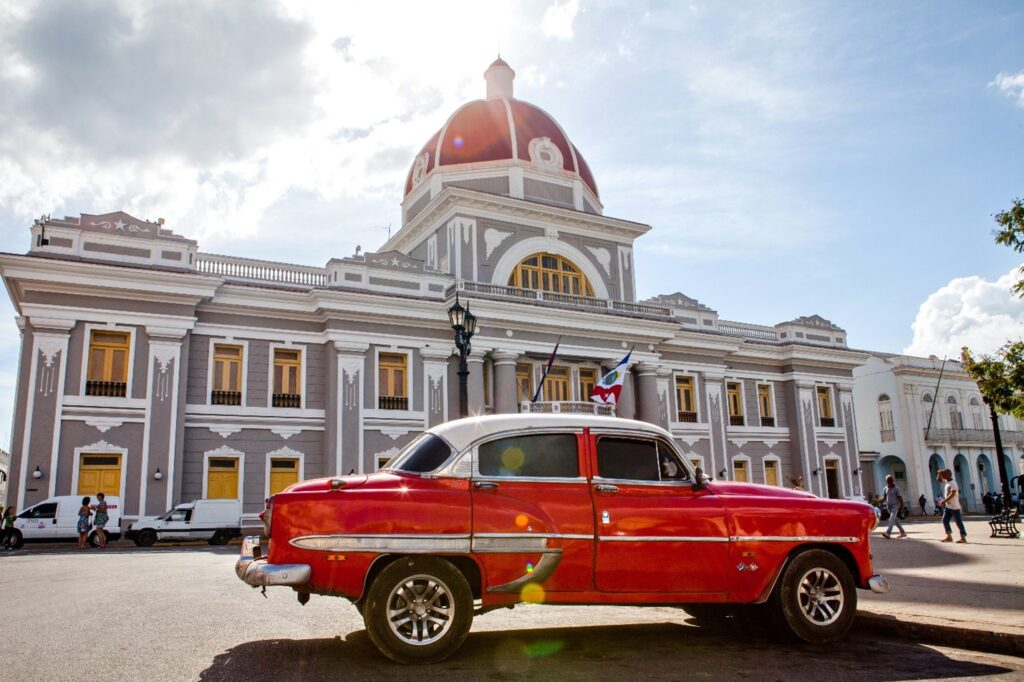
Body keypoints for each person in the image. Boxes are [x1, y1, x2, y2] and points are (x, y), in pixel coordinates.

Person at [937, 469, 967, 543]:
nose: (943, 477)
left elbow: (953, 494)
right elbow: (939, 480)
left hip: (955, 506)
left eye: (944, 475)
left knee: (958, 522)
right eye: (943, 475)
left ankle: (963, 537)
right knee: (945, 520)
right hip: (948, 506)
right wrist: (939, 473)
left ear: (948, 475)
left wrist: (944, 501)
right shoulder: (947, 482)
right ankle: (949, 537)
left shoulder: (953, 483)